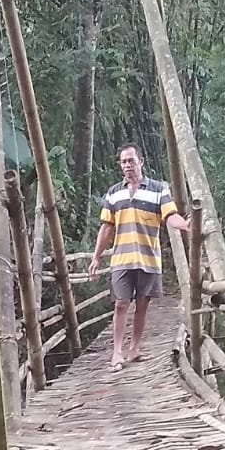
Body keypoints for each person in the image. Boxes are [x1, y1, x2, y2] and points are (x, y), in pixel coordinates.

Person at [87, 143, 189, 371]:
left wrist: (186, 225)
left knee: (142, 305)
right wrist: (96, 257)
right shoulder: (114, 193)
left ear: (140, 162)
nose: (127, 166)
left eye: (131, 161)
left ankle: (133, 349)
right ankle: (116, 353)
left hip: (148, 259)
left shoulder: (158, 190)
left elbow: (170, 216)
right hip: (121, 259)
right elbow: (106, 228)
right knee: (121, 304)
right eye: (123, 162)